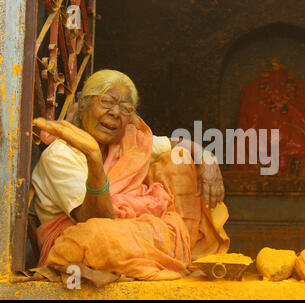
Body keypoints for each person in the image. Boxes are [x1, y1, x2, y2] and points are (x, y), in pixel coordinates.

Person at [31, 69, 229, 280]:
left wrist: (207, 157)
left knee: (178, 160)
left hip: (128, 231)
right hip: (80, 238)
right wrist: (94, 158)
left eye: (125, 108)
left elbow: (177, 144)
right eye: (106, 102)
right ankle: (162, 254)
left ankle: (182, 252)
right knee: (97, 237)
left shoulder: (128, 141)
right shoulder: (60, 155)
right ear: (84, 104)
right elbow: (94, 219)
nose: (116, 113)